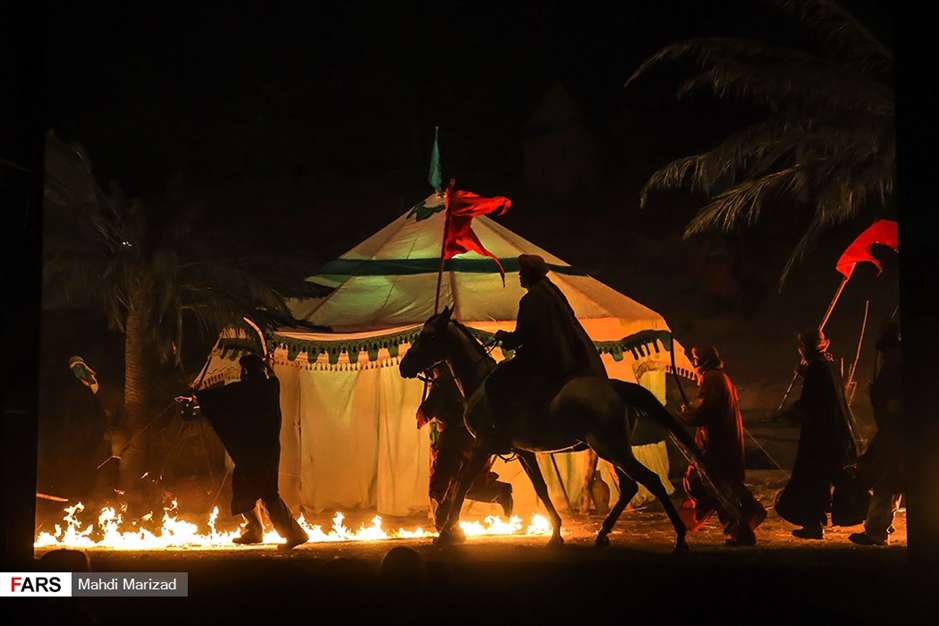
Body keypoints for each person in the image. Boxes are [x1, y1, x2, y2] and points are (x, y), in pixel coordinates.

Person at [178, 353, 308, 550]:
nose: (242, 374)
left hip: (254, 453)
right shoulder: (272, 386)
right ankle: (254, 531)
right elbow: (269, 377)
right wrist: (268, 364)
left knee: (267, 492)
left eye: (244, 370)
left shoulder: (245, 390)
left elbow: (220, 397)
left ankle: (294, 533)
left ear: (247, 372)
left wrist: (196, 395)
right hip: (266, 451)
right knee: (246, 489)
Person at [489, 254, 606, 416]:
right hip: (565, 357)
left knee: (496, 379)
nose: (519, 275)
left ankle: (503, 429)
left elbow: (523, 336)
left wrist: (504, 337)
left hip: (542, 359)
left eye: (523, 271)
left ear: (531, 273)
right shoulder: (553, 293)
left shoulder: (530, 299)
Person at [677, 345, 766, 545]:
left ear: (704, 360)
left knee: (712, 486)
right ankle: (742, 524)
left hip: (717, 444)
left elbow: (707, 411)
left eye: (695, 358)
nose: (693, 362)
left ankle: (744, 524)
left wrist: (687, 415)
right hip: (721, 441)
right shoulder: (718, 378)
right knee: (721, 487)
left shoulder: (712, 379)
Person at [775, 330, 859, 539]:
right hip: (832, 434)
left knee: (812, 480)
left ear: (806, 348)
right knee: (820, 481)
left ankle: (816, 525)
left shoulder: (818, 369)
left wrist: (789, 413)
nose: (800, 350)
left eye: (802, 346)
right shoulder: (826, 366)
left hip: (821, 436)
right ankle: (815, 525)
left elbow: (814, 402)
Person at [417, 363, 513, 529]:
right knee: (473, 481)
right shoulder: (473, 377)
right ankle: (499, 493)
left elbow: (426, 414)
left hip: (452, 440)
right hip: (477, 437)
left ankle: (447, 526)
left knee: (445, 484)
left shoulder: (443, 383)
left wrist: (421, 413)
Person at [850, 321, 903, 546]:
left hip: (895, 434)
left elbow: (893, 404)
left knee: (885, 483)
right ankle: (881, 525)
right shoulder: (893, 364)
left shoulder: (895, 366)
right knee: (890, 483)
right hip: (892, 433)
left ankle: (876, 531)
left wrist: (882, 398)